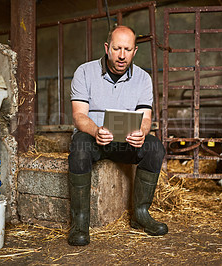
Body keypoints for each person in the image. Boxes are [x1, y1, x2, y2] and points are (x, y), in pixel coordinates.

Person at [68, 25, 168, 246]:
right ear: (107, 48)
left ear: (135, 51)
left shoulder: (143, 78)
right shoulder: (84, 72)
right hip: (95, 139)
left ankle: (140, 214)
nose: (122, 55)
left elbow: (145, 118)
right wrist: (96, 130)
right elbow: (79, 116)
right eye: (117, 48)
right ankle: (80, 223)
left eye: (127, 49)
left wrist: (142, 133)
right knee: (80, 146)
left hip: (125, 142)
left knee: (154, 147)